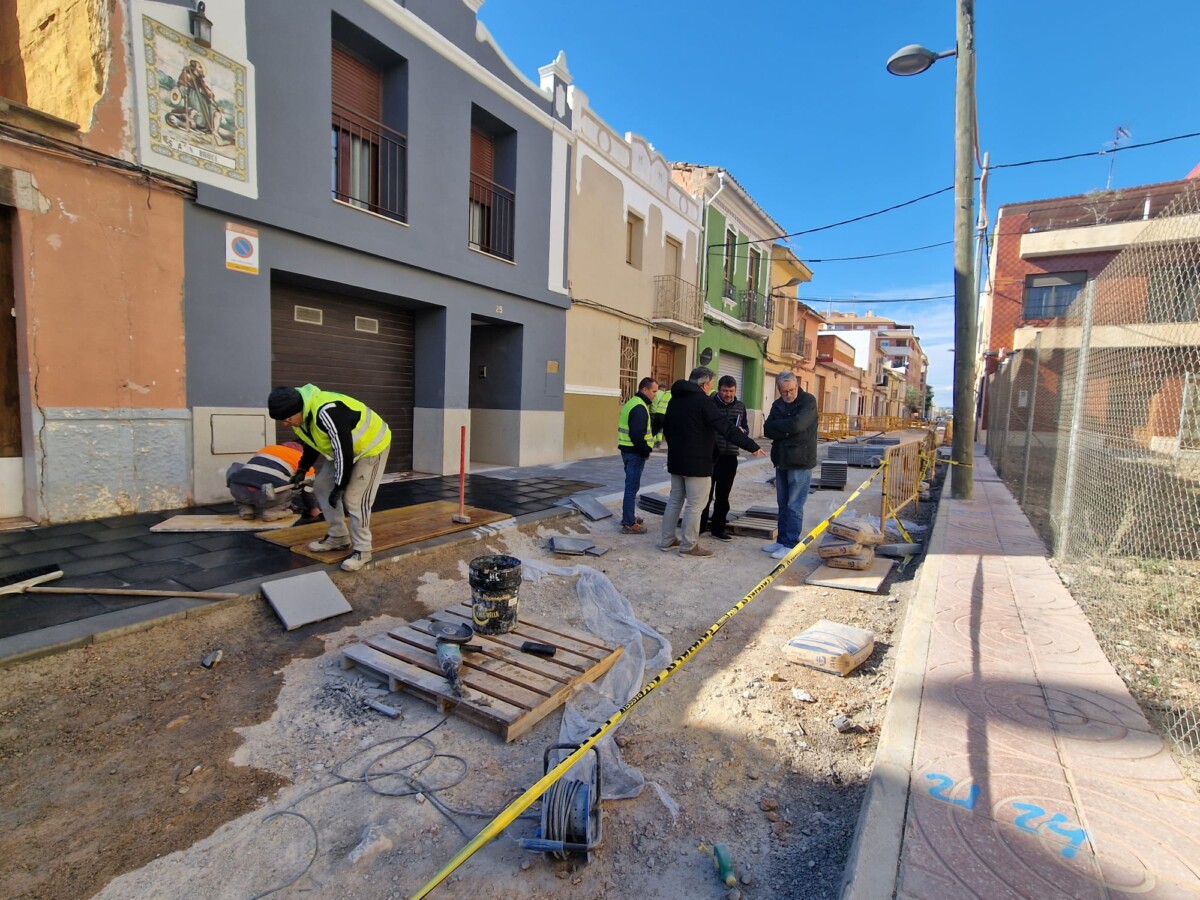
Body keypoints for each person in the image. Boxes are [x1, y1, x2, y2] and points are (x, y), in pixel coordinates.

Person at [268, 384, 391, 572]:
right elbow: (312, 442)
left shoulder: (328, 412)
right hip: (344, 448)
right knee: (322, 486)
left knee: (354, 499)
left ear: (298, 410)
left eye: (287, 418)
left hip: (371, 446)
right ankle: (338, 537)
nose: (285, 423)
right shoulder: (300, 417)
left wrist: (340, 486)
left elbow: (344, 450)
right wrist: (302, 468)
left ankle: (363, 550)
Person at [660, 367, 764, 557]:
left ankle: (667, 540)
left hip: (676, 460)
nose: (710, 388)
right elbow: (726, 428)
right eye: (710, 384)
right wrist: (752, 446)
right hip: (698, 463)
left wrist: (675, 449)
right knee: (695, 504)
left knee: (675, 500)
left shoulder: (675, 399)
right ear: (704, 384)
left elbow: (666, 428)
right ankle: (688, 546)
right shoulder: (703, 401)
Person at [762, 371, 819, 560]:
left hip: (800, 461)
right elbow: (768, 429)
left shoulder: (808, 401)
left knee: (794, 505)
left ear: (797, 386)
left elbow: (798, 426)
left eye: (792, 390)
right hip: (781, 460)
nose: (789, 394)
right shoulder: (777, 404)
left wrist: (783, 429)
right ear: (779, 390)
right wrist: (787, 429)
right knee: (782, 503)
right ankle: (782, 540)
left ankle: (791, 543)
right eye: (785, 391)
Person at [699, 376, 748, 542]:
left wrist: (743, 431)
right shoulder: (709, 405)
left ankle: (718, 528)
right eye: (725, 391)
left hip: (730, 456)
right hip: (711, 456)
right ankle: (700, 525)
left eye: (732, 391)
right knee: (705, 493)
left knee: (723, 495)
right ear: (719, 389)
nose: (728, 394)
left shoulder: (740, 406)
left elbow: (746, 428)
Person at [226, 441, 320, 521]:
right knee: (301, 483)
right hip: (268, 495)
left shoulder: (267, 449)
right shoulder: (304, 461)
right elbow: (308, 492)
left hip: (238, 490)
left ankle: (246, 509)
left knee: (239, 468)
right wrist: (313, 509)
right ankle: (273, 511)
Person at [616, 377, 658, 534]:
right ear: (645, 390)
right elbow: (637, 435)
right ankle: (628, 522)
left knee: (631, 486)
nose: (655, 394)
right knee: (631, 487)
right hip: (634, 453)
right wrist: (645, 451)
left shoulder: (632, 402)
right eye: (653, 391)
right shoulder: (640, 407)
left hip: (628, 451)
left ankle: (629, 516)